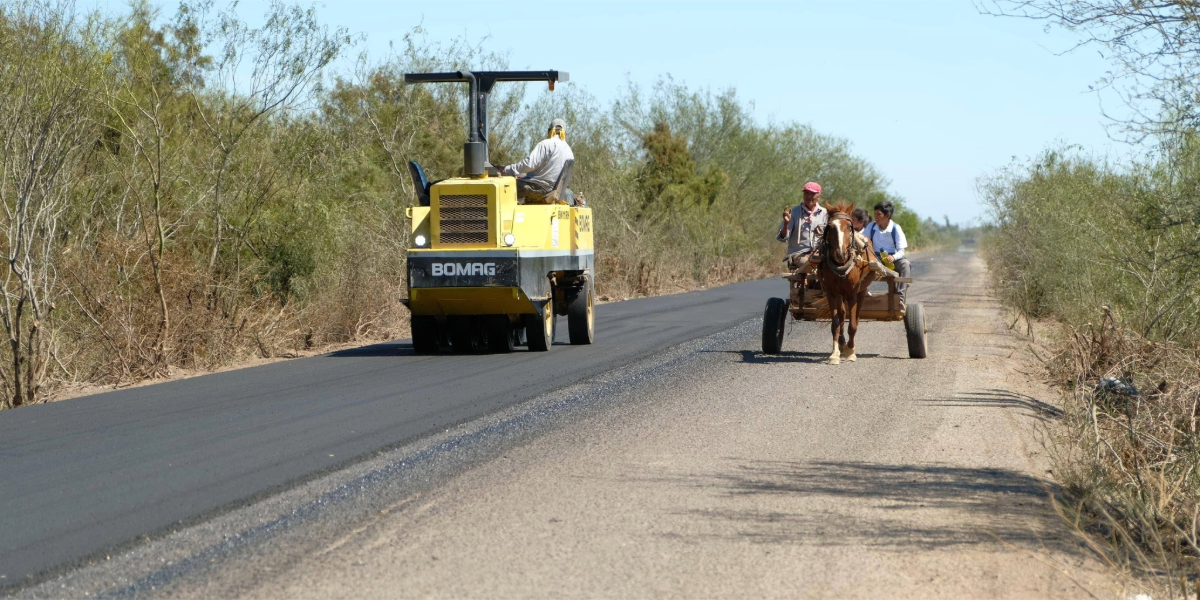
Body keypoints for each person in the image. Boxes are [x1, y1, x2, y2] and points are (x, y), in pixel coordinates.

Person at [499, 118, 574, 204]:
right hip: (552, 190)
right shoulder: (569, 152)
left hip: (537, 188)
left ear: (550, 131)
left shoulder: (546, 144)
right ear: (564, 133)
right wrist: (525, 176)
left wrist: (507, 170)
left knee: (504, 186)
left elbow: (529, 164)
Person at [864, 200, 911, 303]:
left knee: (905, 265)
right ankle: (860, 293)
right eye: (875, 213)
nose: (875, 216)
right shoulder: (871, 227)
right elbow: (863, 241)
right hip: (875, 258)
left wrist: (893, 257)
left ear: (887, 215)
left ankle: (900, 298)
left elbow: (902, 251)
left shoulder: (896, 228)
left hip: (892, 259)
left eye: (879, 214)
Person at [777, 182, 828, 271]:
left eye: (812, 194)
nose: (808, 196)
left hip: (820, 254)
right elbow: (783, 238)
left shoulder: (825, 214)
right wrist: (786, 224)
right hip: (799, 254)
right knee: (809, 265)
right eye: (806, 193)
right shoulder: (794, 212)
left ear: (818, 197)